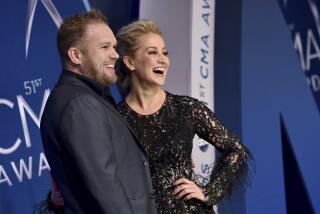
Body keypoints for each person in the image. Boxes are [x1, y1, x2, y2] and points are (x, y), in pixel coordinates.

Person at [49, 19, 252, 214]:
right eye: (152, 52)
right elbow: (98, 177)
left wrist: (209, 192)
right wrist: (55, 200)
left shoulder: (186, 108)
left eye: (164, 53)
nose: (162, 59)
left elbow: (236, 151)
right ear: (130, 62)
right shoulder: (115, 117)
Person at [40, 9, 157, 214]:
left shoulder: (86, 96)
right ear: (76, 55)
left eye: (113, 46)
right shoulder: (79, 105)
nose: (115, 54)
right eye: (104, 47)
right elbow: (105, 188)